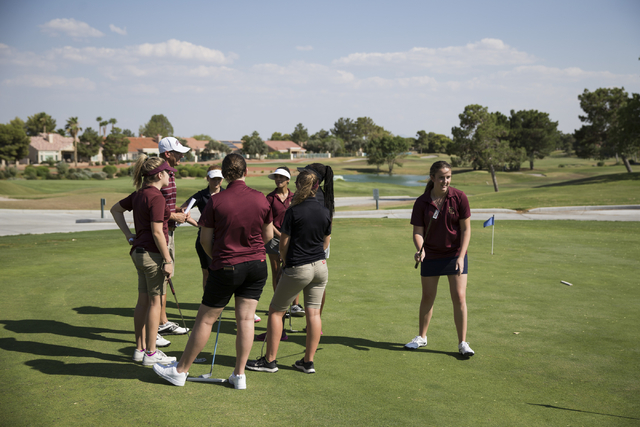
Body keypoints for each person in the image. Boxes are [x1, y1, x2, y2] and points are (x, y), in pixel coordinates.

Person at [153, 153, 273, 389]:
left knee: (205, 320)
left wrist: (217, 258)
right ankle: (239, 375)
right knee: (247, 318)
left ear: (225, 175)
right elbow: (268, 236)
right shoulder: (261, 199)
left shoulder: (216, 201)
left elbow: (206, 240)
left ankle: (180, 371)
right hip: (258, 265)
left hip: (227, 265)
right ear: (246, 172)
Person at [246, 169, 331, 374]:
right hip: (320, 267)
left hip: (298, 267)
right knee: (313, 313)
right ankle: (307, 363)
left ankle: (269, 361)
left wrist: (284, 260)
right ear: (316, 187)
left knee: (276, 311)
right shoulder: (325, 211)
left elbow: (283, 243)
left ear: (297, 186)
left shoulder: (294, 210)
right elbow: (326, 241)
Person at [110, 155, 177, 366]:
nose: (170, 175)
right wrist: (168, 259)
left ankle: (139, 350)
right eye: (168, 172)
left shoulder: (139, 194)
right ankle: (151, 353)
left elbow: (115, 210)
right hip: (153, 255)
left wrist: (129, 235)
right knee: (155, 303)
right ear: (159, 175)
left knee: (143, 302)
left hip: (139, 253)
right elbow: (158, 232)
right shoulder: (157, 197)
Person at [404, 160, 474, 357]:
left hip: (455, 255)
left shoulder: (459, 197)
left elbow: (466, 229)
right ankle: (422, 337)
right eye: (442, 177)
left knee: (459, 297)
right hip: (431, 255)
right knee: (427, 297)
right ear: (432, 178)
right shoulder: (422, 202)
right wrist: (421, 249)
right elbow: (418, 232)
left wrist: (461, 257)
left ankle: (462, 342)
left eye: (448, 177)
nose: (445, 181)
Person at [182, 165, 262, 323]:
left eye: (219, 178)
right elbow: (184, 209)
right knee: (208, 273)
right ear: (208, 178)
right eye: (213, 178)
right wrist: (198, 224)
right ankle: (211, 305)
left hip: (225, 241)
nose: (217, 181)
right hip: (205, 241)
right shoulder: (201, 195)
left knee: (233, 273)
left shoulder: (227, 193)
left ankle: (245, 309)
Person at [156, 136, 191, 341]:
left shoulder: (169, 173)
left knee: (165, 278)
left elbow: (164, 206)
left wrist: (177, 210)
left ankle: (163, 321)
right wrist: (173, 215)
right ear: (167, 154)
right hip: (160, 232)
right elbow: (152, 207)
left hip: (168, 230)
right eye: (178, 153)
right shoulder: (159, 174)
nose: (182, 156)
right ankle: (158, 325)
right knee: (160, 278)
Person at [296, 163, 335, 329]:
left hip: (307, 246)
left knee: (308, 285)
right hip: (321, 245)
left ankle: (312, 323)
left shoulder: (313, 196)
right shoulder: (321, 195)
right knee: (318, 286)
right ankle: (315, 324)